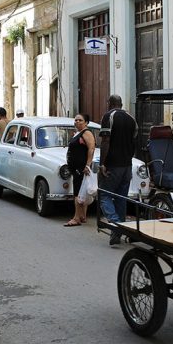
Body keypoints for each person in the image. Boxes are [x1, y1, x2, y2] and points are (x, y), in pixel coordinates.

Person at [98, 95, 137, 245]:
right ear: (121, 104)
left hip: (113, 165)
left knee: (104, 195)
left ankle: (116, 225)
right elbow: (134, 142)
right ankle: (117, 233)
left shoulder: (109, 116)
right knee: (121, 198)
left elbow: (105, 141)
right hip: (127, 165)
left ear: (111, 104)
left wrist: (103, 164)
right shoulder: (131, 118)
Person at [65, 114, 96, 227]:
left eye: (80, 120)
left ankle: (76, 218)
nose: (77, 122)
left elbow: (91, 148)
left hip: (81, 168)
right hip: (76, 168)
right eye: (76, 120)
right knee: (82, 191)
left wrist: (87, 165)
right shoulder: (79, 133)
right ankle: (82, 215)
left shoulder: (86, 133)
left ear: (86, 122)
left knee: (78, 193)